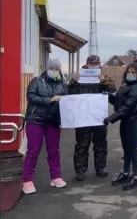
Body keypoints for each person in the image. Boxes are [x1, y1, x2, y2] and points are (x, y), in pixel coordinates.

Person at [22, 59, 68, 194]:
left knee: (54, 150)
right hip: (35, 120)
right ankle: (27, 180)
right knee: (33, 150)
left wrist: (63, 120)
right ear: (47, 68)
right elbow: (30, 96)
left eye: (56, 69)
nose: (54, 71)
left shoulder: (63, 84)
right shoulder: (37, 81)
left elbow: (67, 102)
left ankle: (56, 177)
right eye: (52, 68)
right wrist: (49, 100)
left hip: (53, 122)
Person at [69, 55, 116, 181]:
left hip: (99, 117)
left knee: (100, 144)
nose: (93, 65)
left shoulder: (103, 76)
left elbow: (113, 89)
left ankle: (101, 168)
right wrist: (73, 81)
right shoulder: (79, 76)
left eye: (96, 63)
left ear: (99, 64)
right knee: (81, 145)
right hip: (83, 116)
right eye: (91, 63)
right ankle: (80, 170)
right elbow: (69, 93)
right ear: (87, 63)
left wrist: (104, 80)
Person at [103, 62, 137, 190]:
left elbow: (127, 107)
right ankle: (126, 172)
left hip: (133, 121)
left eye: (134, 73)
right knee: (126, 148)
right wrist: (108, 96)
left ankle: (136, 176)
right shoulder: (125, 85)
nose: (130, 74)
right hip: (125, 121)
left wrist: (110, 119)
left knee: (132, 149)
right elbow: (118, 102)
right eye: (129, 72)